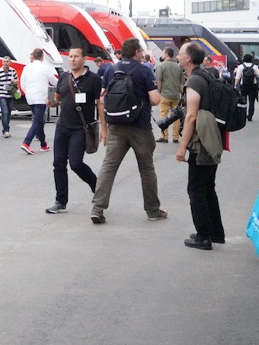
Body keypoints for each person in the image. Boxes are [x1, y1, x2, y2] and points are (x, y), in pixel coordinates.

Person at [90, 38, 167, 224]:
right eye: (141, 51)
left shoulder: (111, 69)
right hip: (139, 127)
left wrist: (105, 128)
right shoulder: (144, 70)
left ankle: (97, 209)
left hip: (116, 126)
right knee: (146, 169)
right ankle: (153, 211)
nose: (142, 54)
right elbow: (156, 100)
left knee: (108, 167)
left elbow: (103, 98)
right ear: (136, 52)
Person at [175, 42, 225, 250]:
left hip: (201, 142)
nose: (177, 56)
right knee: (207, 187)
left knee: (195, 189)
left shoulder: (195, 80)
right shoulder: (207, 75)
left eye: (180, 54)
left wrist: (182, 146)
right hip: (213, 137)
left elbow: (191, 116)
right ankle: (215, 233)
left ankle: (203, 236)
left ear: (187, 58)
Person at [45, 46, 101, 214]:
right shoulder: (63, 77)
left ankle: (96, 186)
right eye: (70, 56)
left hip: (81, 128)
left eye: (76, 56)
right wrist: (51, 103)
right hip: (62, 126)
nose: (72, 59)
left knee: (76, 164)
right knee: (58, 164)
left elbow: (100, 103)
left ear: (84, 59)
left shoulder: (94, 79)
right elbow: (57, 99)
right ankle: (60, 201)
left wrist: (104, 128)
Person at [19, 48, 58, 154]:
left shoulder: (26, 68)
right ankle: (26, 142)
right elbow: (54, 81)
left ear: (34, 56)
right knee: (37, 121)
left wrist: (28, 92)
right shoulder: (46, 68)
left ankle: (43, 144)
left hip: (30, 97)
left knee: (39, 121)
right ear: (42, 57)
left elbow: (22, 83)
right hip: (41, 97)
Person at [154, 47, 185, 143]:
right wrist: (182, 94)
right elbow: (181, 83)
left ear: (167, 54)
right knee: (176, 116)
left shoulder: (161, 66)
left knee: (164, 114)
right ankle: (175, 137)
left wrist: (158, 92)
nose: (162, 55)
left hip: (164, 94)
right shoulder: (178, 67)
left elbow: (158, 81)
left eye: (163, 53)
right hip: (176, 95)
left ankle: (164, 136)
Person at [0, 56, 18, 138]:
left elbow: (17, 80)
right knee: (5, 112)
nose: (6, 63)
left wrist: (14, 81)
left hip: (10, 94)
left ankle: (6, 129)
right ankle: (5, 130)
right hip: (2, 94)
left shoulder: (13, 71)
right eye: (4, 61)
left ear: (10, 62)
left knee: (9, 112)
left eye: (7, 61)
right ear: (2, 62)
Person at [234, 54, 259, 122]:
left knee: (243, 101)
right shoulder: (254, 66)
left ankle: (243, 115)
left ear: (244, 59)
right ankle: (250, 116)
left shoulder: (241, 66)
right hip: (253, 85)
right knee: (252, 101)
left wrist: (235, 85)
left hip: (244, 85)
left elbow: (238, 77)